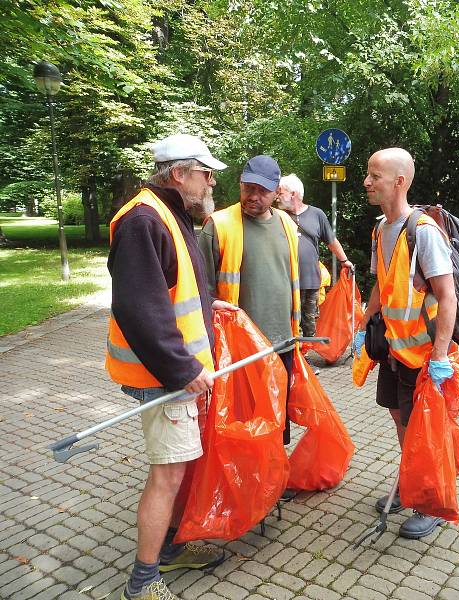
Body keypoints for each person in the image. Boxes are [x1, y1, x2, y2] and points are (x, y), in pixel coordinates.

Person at [107, 134, 236, 600]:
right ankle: (143, 579)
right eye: (206, 173)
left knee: (177, 469)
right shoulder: (144, 219)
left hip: (173, 376)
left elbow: (170, 289)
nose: (212, 181)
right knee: (167, 475)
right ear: (178, 174)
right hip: (165, 382)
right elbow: (139, 309)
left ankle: (168, 548)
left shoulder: (169, 215)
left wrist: (210, 303)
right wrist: (182, 370)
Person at [354, 147, 457, 540]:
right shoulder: (381, 228)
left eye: (374, 175)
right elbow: (383, 282)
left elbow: (446, 297)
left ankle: (430, 503)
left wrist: (441, 356)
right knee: (400, 420)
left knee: (423, 429)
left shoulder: (424, 232)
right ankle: (409, 485)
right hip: (393, 350)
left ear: (398, 182)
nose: (366, 181)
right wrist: (364, 325)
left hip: (422, 354)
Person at [199, 155, 301, 455]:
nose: (253, 196)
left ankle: (274, 476)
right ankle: (246, 478)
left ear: (276, 193)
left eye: (263, 191)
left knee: (277, 417)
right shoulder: (219, 225)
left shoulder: (285, 223)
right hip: (239, 349)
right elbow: (199, 290)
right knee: (243, 419)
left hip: (281, 343)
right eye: (248, 188)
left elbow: (289, 279)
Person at [275, 173, 353, 339]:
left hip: (311, 280)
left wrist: (344, 260)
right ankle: (292, 356)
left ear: (293, 194)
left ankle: (306, 357)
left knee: (309, 322)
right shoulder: (277, 216)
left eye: (280, 193)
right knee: (287, 322)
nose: (276, 197)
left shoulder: (317, 214)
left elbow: (331, 240)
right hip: (285, 281)